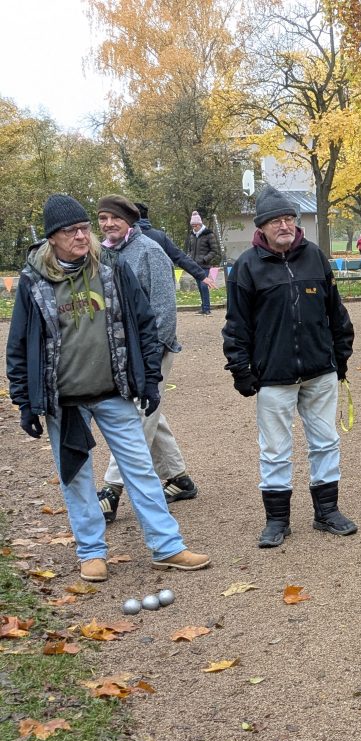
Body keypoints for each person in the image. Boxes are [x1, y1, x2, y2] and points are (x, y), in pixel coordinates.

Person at [6, 195, 210, 582]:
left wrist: (149, 379)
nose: (82, 236)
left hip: (114, 392)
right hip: (65, 401)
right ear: (52, 238)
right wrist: (24, 402)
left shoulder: (112, 268)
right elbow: (19, 344)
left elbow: (144, 322)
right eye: (72, 231)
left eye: (85, 228)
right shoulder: (34, 279)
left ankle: (167, 546)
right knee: (76, 478)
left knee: (141, 470)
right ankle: (91, 553)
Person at [223, 186, 356, 548]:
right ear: (261, 227)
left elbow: (336, 313)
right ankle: (277, 520)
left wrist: (340, 358)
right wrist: (240, 368)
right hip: (273, 375)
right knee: (274, 449)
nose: (284, 226)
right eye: (275, 221)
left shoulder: (315, 257)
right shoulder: (246, 267)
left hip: (319, 370)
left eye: (288, 219)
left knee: (326, 442)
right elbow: (236, 324)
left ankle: (327, 511)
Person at [94, 195, 200, 523]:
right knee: (150, 413)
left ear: (130, 221)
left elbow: (165, 308)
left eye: (115, 218)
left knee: (137, 415)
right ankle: (179, 478)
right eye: (103, 218)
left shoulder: (150, 251)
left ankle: (112, 489)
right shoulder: (102, 253)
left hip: (152, 350)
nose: (108, 224)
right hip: (119, 350)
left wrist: (155, 351)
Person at [135, 202, 215, 294]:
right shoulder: (160, 236)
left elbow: (180, 256)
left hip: (136, 289)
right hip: (159, 288)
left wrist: (203, 264)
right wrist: (201, 275)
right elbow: (180, 256)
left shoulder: (126, 237)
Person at [186, 211, 222, 315]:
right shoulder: (192, 235)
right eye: (192, 226)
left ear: (200, 224)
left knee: (203, 285)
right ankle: (203, 307)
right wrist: (189, 258)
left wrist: (205, 259)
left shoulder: (209, 234)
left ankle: (207, 308)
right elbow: (190, 249)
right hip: (195, 265)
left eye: (195, 225)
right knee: (199, 287)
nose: (194, 227)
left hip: (204, 265)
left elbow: (214, 250)